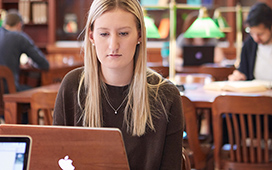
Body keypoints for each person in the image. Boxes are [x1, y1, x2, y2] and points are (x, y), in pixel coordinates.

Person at [53, 0, 184, 169]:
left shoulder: (166, 95)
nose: (113, 45)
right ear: (91, 36)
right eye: (104, 34)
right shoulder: (73, 86)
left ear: (139, 36)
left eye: (123, 33)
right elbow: (56, 159)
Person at [0, 9, 49, 92]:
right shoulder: (19, 37)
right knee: (38, 91)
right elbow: (44, 64)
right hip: (9, 91)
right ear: (20, 25)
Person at [228, 2, 272, 81]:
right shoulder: (249, 44)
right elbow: (243, 72)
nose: (256, 38)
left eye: (260, 34)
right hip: (257, 91)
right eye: (252, 33)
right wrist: (238, 77)